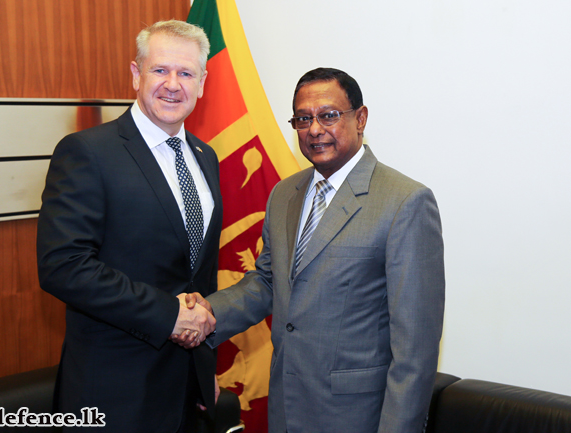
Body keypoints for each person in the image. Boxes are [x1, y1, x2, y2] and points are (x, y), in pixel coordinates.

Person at [176, 67, 445, 433]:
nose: (314, 129)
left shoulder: (405, 202)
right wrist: (205, 314)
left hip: (356, 417)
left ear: (360, 118)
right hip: (287, 406)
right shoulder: (285, 194)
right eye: (303, 119)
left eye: (328, 115)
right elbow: (268, 283)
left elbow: (415, 348)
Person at [36, 20, 222, 432]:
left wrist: (204, 364)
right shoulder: (87, 152)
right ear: (136, 74)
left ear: (202, 83)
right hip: (114, 393)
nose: (173, 84)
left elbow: (197, 274)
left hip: (186, 387)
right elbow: (63, 265)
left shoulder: (205, 156)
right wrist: (166, 315)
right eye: (160, 70)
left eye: (186, 73)